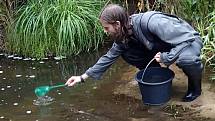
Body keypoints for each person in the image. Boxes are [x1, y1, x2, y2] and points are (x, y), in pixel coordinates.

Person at [65, 4, 203, 102]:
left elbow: (188, 39)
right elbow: (108, 57)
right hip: (165, 45)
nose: (105, 31)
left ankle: (195, 89)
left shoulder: (152, 22)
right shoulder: (123, 33)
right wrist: (82, 77)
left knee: (186, 60)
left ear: (117, 24)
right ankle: (156, 75)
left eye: (106, 28)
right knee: (128, 52)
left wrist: (167, 57)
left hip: (187, 40)